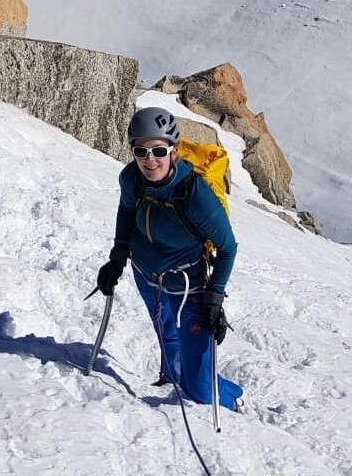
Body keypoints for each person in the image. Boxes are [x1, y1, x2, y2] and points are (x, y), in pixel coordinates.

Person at [96, 106, 242, 410]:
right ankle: (173, 375)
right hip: (145, 276)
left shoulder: (195, 195)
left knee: (200, 389)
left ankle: (232, 399)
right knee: (168, 340)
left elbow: (227, 248)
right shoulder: (131, 179)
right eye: (141, 151)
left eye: (159, 151)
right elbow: (126, 212)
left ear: (174, 151)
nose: (150, 160)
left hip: (189, 288)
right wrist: (118, 256)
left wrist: (214, 297)